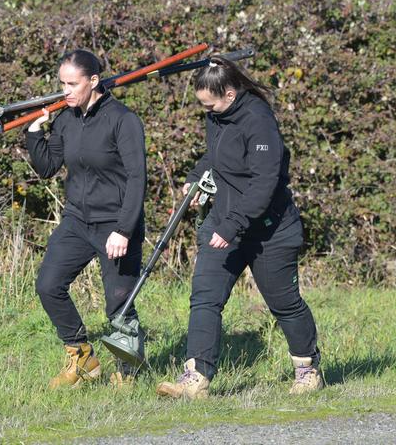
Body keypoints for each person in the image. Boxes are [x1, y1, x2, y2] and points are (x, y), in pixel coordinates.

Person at [156, 56, 323, 399]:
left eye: (210, 103)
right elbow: (216, 159)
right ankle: (196, 378)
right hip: (226, 224)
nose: (207, 110)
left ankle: (308, 370)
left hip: (269, 230)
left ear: (229, 94)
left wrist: (232, 223)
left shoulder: (259, 121)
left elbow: (264, 182)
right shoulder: (217, 118)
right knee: (205, 299)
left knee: (285, 303)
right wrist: (195, 180)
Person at [26, 49, 146, 389]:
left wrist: (124, 230)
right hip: (77, 220)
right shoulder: (66, 118)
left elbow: (138, 179)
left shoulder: (123, 120)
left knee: (118, 302)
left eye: (72, 84)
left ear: (93, 81)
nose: (65, 91)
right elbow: (48, 167)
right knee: (48, 285)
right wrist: (36, 133)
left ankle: (128, 368)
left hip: (116, 224)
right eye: (62, 83)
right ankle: (81, 356)